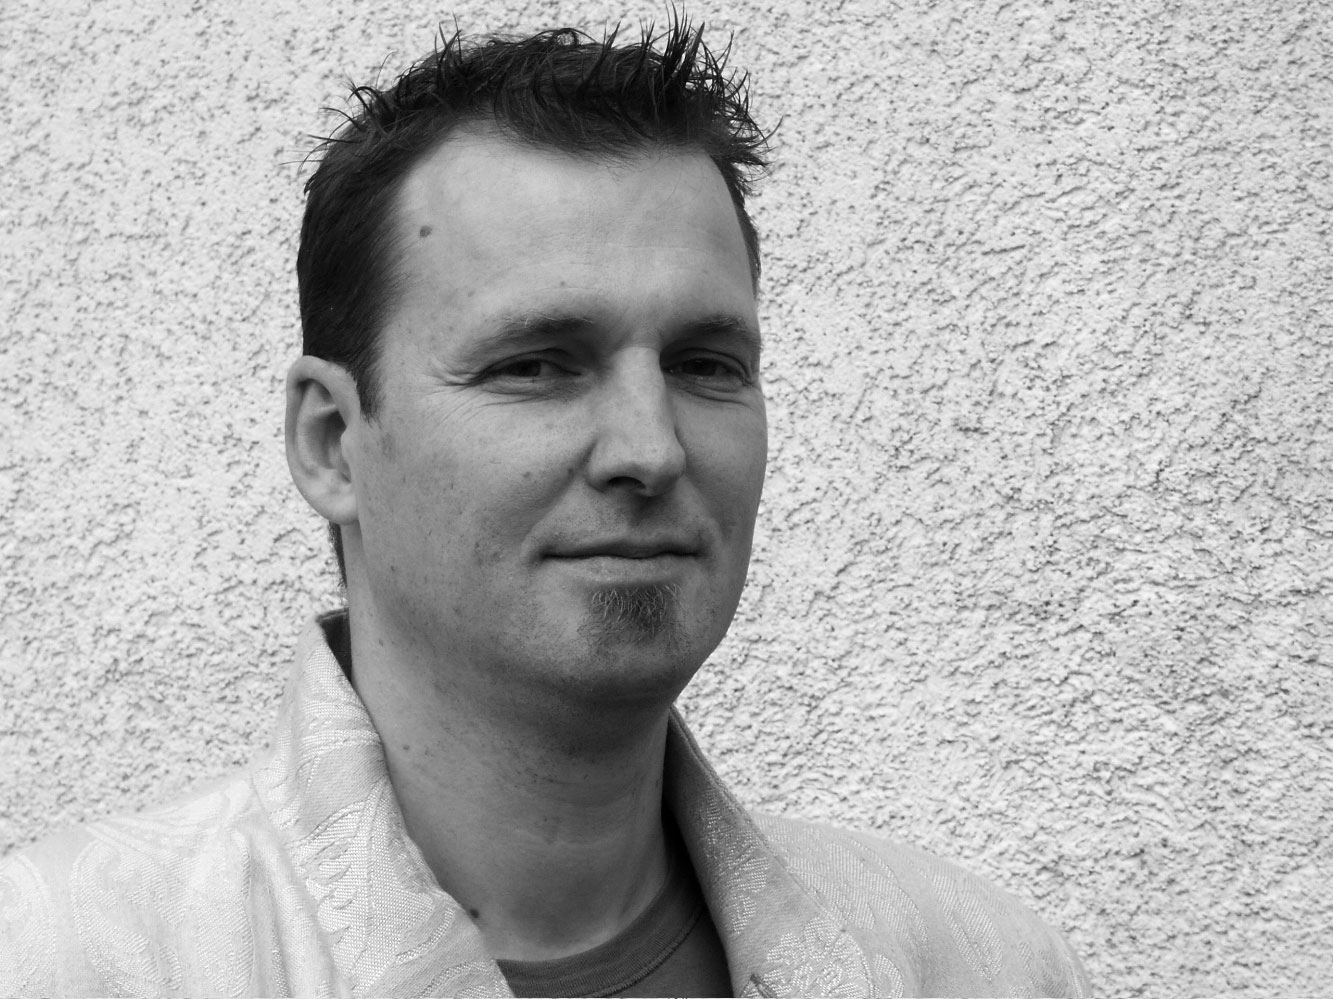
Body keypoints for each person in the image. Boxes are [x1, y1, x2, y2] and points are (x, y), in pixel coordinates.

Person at [0, 19, 1090, 997]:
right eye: (536, 365)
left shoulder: (977, 966)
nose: (650, 448)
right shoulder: (67, 962)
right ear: (332, 442)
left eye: (704, 364)